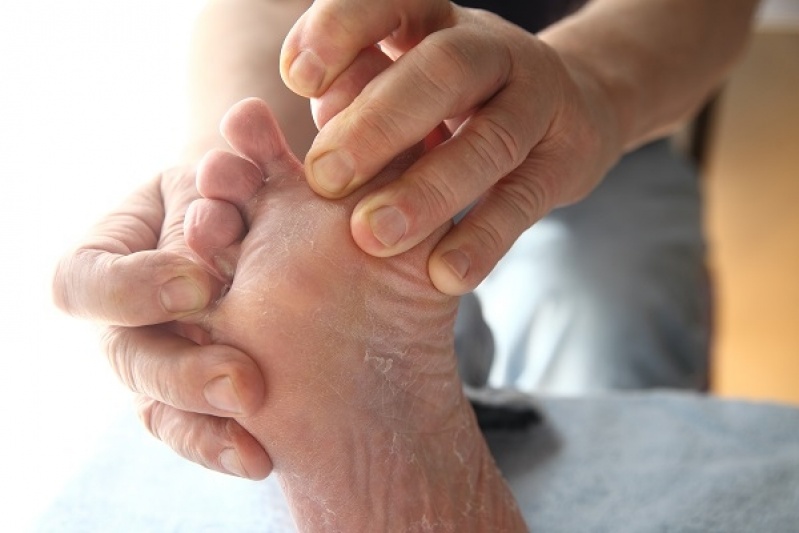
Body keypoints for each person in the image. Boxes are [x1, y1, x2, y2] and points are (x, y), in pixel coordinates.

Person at [52, 0, 761, 484]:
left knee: (616, 295)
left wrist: (593, 89)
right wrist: (222, 190)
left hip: (605, 106)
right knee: (316, 324)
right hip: (368, 127)